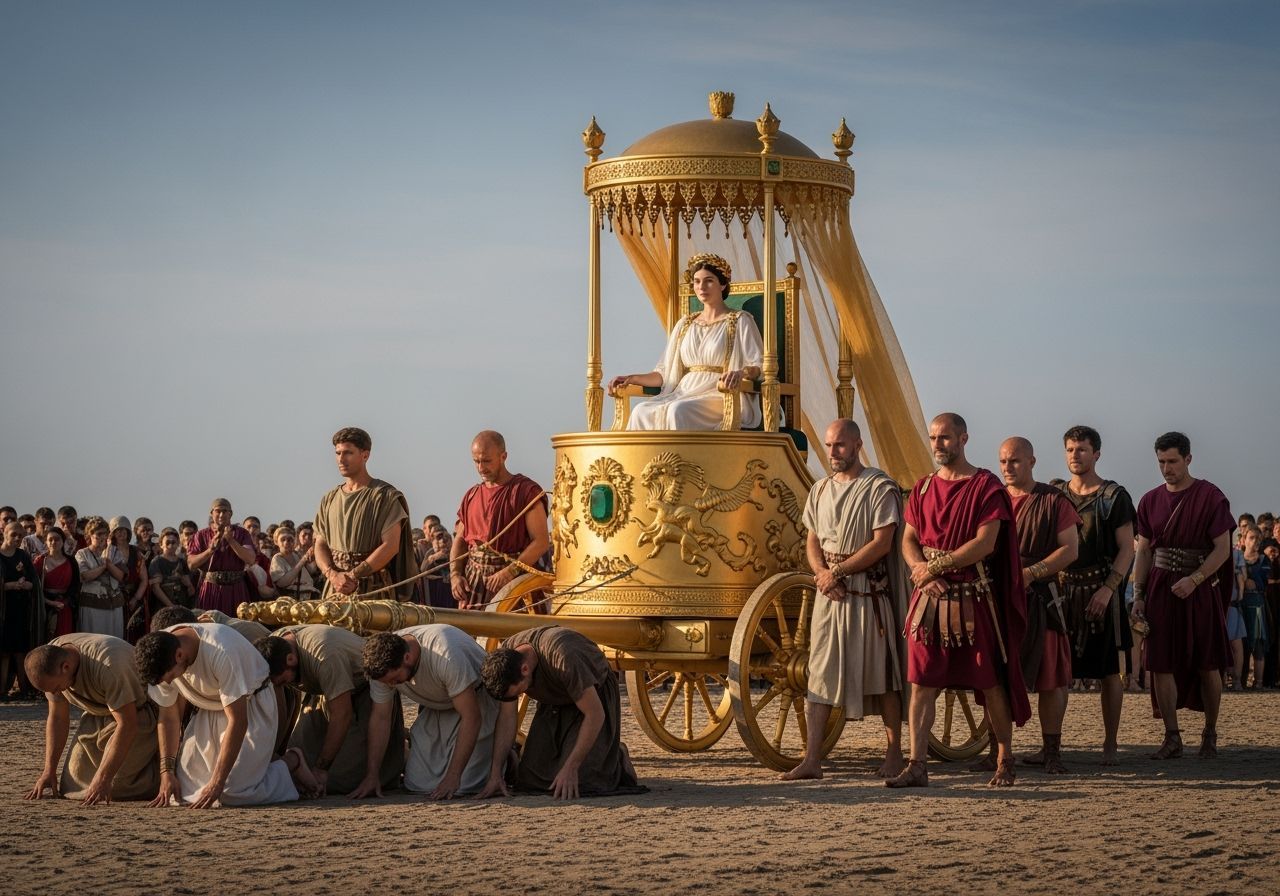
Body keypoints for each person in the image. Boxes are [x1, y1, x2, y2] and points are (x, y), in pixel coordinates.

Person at [886, 413, 1030, 789]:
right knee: (921, 683)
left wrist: (935, 568)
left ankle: (1004, 759)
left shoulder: (986, 486)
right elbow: (908, 539)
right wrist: (919, 568)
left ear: (963, 439)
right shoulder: (922, 488)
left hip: (972, 599)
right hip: (928, 602)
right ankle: (918, 765)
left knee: (989, 682)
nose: (938, 445)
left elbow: (985, 543)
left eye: (945, 438)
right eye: (934, 438)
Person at [782, 419, 908, 781]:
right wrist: (823, 574)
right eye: (828, 445)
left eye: (839, 445)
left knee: (883, 676)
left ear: (857, 445)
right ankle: (812, 760)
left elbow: (882, 543)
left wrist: (836, 572)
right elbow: (812, 539)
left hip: (868, 595)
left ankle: (894, 755)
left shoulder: (879, 487)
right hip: (830, 596)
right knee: (819, 677)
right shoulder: (820, 489)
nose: (832, 452)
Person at [1132, 432, 1234, 760]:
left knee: (1207, 662)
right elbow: (1144, 551)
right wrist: (1139, 594)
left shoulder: (1210, 496)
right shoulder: (1149, 500)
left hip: (1199, 589)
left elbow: (1222, 549)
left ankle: (1210, 732)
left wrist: (1196, 579)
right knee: (1160, 663)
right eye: (1161, 462)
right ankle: (1172, 737)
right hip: (1161, 588)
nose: (1167, 468)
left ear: (1188, 459)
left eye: (1173, 461)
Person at [135, 622, 299, 807]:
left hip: (251, 707)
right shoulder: (161, 651)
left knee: (230, 792)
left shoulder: (222, 650)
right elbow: (169, 718)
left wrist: (217, 782)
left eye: (172, 677)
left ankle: (290, 763)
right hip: (208, 709)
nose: (171, 682)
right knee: (182, 793)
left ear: (179, 655)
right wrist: (167, 773)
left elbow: (238, 721)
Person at [479, 626, 644, 799]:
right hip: (553, 703)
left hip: (593, 699)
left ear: (525, 669)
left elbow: (595, 714)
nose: (519, 696)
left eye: (519, 692)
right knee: (530, 780)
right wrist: (495, 774)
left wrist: (571, 767)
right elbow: (507, 717)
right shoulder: (507, 659)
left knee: (582, 782)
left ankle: (617, 757)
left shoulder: (564, 656)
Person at [609, 253, 764, 431]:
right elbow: (664, 374)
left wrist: (740, 373)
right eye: (697, 282)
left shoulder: (740, 320)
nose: (701, 287)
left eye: (709, 281)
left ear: (722, 284)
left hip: (721, 393)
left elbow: (759, 365)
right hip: (684, 391)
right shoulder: (685, 324)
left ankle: (680, 452)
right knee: (641, 411)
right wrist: (631, 378)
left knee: (678, 410)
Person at [999, 437, 1080, 774]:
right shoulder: (994, 500)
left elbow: (1070, 549)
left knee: (1051, 678)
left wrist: (1032, 572)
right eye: (1003, 461)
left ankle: (1052, 752)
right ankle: (998, 751)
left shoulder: (1052, 500)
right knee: (996, 679)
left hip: (1042, 599)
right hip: (1000, 599)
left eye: (1015, 461)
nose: (1007, 467)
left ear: (1031, 462)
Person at [1058, 425, 1138, 761]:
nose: (1075, 455)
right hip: (1063, 592)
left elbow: (1127, 549)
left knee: (1109, 671)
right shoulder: (1056, 494)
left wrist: (1107, 590)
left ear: (1097, 454)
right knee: (1057, 670)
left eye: (1082, 449)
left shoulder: (1114, 497)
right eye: (1070, 449)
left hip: (1102, 590)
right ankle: (1052, 745)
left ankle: (1110, 743)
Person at [256, 625, 405, 796]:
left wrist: (321, 769)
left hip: (365, 692)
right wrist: (275, 750)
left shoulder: (324, 655)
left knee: (341, 781)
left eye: (283, 682)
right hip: (323, 693)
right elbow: (281, 702)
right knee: (297, 772)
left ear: (291, 659)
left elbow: (342, 714)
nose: (282, 685)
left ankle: (404, 755)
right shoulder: (273, 647)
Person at [354, 626, 497, 799]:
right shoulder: (382, 666)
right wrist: (372, 775)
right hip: (437, 706)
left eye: (394, 680)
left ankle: (503, 756)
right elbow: (381, 717)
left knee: (464, 785)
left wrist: (453, 776)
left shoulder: (446, 654)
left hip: (478, 700)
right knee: (416, 783)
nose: (391, 685)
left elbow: (472, 717)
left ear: (407, 658)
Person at [23, 635, 160, 803]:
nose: (56, 693)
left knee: (115, 786)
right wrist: (49, 770)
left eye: (57, 688)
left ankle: (159, 769)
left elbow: (128, 724)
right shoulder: (51, 656)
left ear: (66, 667)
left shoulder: (109, 665)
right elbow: (57, 717)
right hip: (98, 715)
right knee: (73, 783)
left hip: (138, 713)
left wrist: (104, 778)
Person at [450, 430, 549, 610]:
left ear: (503, 457)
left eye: (486, 461)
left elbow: (541, 541)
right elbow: (460, 540)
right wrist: (455, 575)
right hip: (474, 587)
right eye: (476, 461)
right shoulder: (471, 495)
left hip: (514, 587)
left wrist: (509, 572)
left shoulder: (525, 491)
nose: (481, 468)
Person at [314, 427, 415, 600]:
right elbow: (320, 544)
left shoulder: (384, 496)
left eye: (348, 453)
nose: (341, 459)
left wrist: (354, 575)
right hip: (335, 589)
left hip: (373, 590)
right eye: (338, 453)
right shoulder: (329, 499)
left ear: (365, 455)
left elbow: (390, 545)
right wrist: (332, 575)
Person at [186, 498, 258, 615]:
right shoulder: (201, 535)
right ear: (211, 513)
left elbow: (250, 559)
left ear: (231, 513)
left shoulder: (242, 533)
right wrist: (210, 550)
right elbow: (191, 564)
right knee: (210, 622)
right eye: (218, 511)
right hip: (210, 589)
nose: (221, 514)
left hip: (236, 589)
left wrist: (231, 540)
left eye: (225, 511)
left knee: (237, 623)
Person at [1, 520, 44, 700]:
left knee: (21, 652)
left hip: (21, 610)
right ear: (5, 534)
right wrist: (9, 585)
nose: (17, 538)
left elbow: (34, 580)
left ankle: (25, 690)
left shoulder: (23, 556)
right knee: (3, 652)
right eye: (14, 535)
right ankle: (1, 691)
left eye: (20, 535)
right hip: (3, 611)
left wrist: (27, 585)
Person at [76, 519, 126, 637]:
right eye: (99, 534)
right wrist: (103, 566)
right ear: (90, 535)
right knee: (94, 638)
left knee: (114, 638)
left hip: (113, 604)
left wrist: (109, 563)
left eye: (105, 533)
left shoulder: (115, 552)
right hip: (92, 604)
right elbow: (85, 576)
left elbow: (121, 576)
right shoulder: (82, 553)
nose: (102, 537)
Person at [1237, 525, 1270, 689]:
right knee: (1241, 645)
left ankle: (1258, 683)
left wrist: (1248, 578)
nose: (1255, 541)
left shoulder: (1264, 560)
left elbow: (1261, 582)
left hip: (1257, 604)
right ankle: (1240, 681)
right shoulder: (1238, 558)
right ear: (1244, 540)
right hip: (1240, 605)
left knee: (1258, 644)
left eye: (1258, 538)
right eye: (1252, 537)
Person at [110, 516, 151, 642]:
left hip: (134, 598)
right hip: (112, 599)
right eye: (117, 530)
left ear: (128, 532)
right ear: (112, 533)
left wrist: (135, 598)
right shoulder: (108, 551)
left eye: (124, 530)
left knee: (135, 636)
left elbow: (144, 579)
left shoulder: (136, 552)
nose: (121, 532)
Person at [35, 527, 79, 638]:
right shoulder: (40, 561)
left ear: (63, 541)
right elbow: (35, 587)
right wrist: (50, 602)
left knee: (64, 640)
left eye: (57, 539)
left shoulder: (71, 561)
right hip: (45, 607)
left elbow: (76, 585)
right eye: (50, 539)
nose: (53, 542)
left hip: (64, 606)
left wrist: (65, 601)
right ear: (46, 541)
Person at [149, 528, 195, 610]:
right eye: (167, 542)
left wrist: (189, 585)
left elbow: (191, 591)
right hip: (163, 608)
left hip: (182, 606)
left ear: (178, 544)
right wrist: (171, 606)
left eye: (173, 542)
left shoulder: (182, 562)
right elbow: (156, 588)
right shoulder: (157, 562)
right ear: (161, 544)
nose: (170, 545)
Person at [269, 527, 318, 600]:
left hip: (309, 595)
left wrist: (314, 555)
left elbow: (311, 571)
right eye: (283, 539)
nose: (286, 542)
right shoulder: (277, 558)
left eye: (290, 539)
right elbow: (281, 583)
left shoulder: (296, 555)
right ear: (276, 542)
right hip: (292, 599)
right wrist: (303, 560)